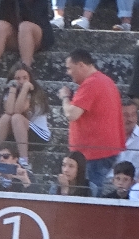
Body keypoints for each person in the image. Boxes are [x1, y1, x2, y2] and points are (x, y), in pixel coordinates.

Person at [59, 50, 125, 193]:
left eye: (70, 68)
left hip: (94, 153)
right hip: (102, 150)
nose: (68, 72)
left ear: (81, 65)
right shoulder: (105, 81)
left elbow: (71, 114)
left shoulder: (91, 83)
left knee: (91, 194)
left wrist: (65, 97)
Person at [0, 65, 50, 167]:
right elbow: (9, 111)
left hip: (39, 136)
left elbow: (17, 110)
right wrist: (13, 89)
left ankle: (24, 160)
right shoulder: (10, 92)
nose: (22, 81)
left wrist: (25, 88)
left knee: (16, 117)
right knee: (6, 117)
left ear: (30, 79)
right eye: (17, 78)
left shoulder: (35, 94)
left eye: (25, 78)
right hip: (17, 134)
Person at [0, 0, 50, 71]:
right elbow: (2, 16)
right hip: (16, 34)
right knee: (1, 25)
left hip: (36, 34)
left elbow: (35, 17)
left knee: (25, 26)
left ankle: (26, 68)